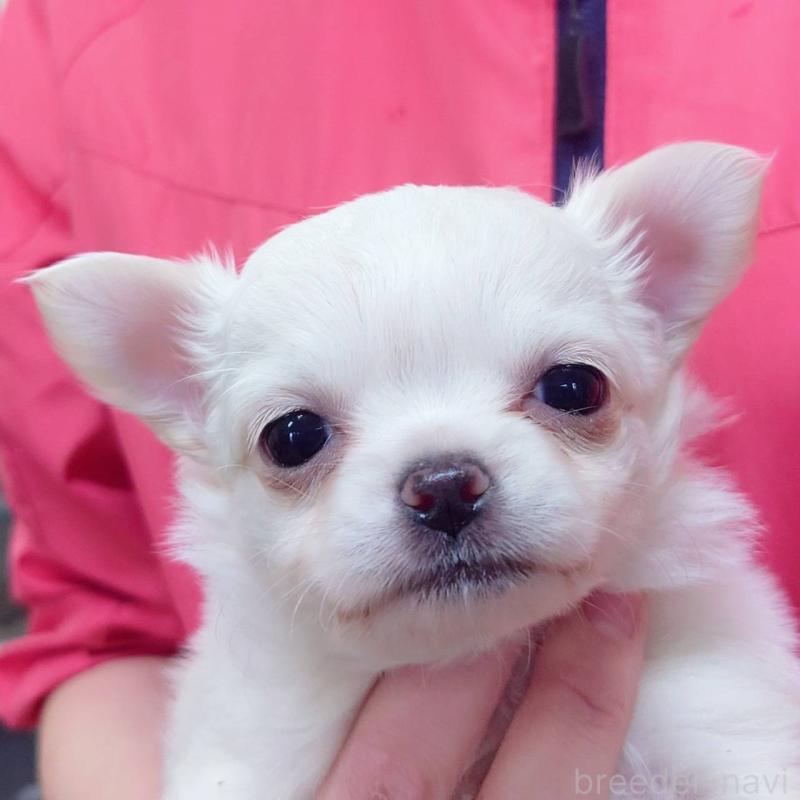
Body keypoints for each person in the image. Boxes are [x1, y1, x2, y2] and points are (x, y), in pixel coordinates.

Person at [0, 1, 797, 797]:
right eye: (299, 439)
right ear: (183, 403)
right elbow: (99, 626)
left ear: (660, 314)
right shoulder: (72, 37)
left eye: (567, 393)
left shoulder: (707, 655)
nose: (445, 487)